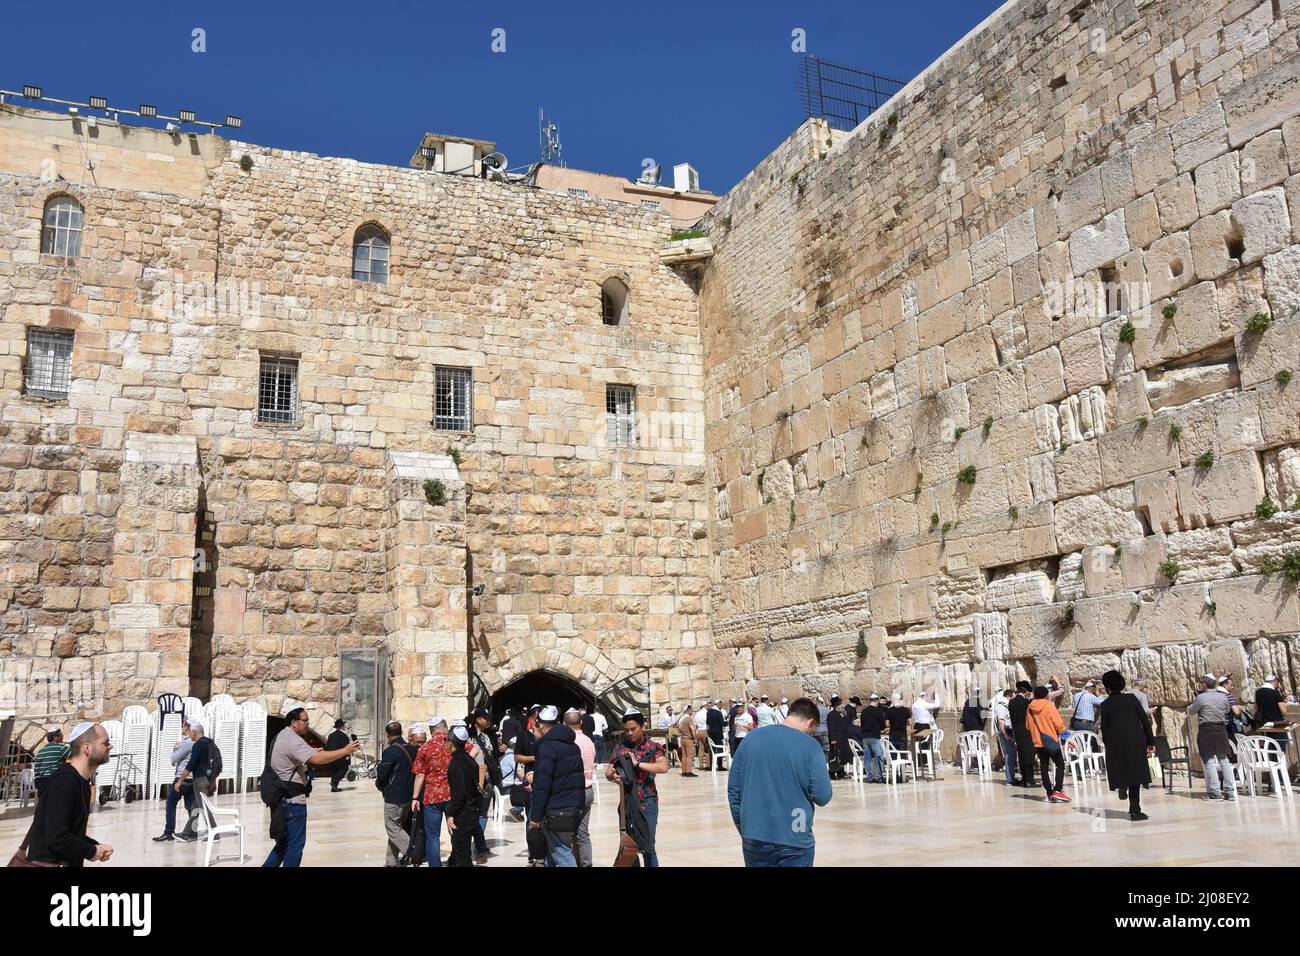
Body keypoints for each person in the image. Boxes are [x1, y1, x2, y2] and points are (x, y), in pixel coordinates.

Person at [727, 697, 833, 867]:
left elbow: (734, 790)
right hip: (794, 835)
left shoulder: (750, 739)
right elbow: (823, 796)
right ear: (810, 723)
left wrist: (746, 827)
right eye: (812, 730)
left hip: (755, 835)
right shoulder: (810, 746)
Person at [263, 707, 359, 867]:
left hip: (283, 799)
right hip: (292, 801)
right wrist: (345, 750)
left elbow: (299, 757)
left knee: (285, 843)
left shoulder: (283, 735)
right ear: (294, 723)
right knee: (295, 845)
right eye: (305, 721)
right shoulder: (292, 739)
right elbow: (316, 759)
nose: (308, 724)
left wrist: (310, 752)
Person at [21, 722, 113, 867]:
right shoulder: (64, 783)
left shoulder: (81, 781)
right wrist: (91, 851)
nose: (110, 746)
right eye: (105, 743)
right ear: (87, 748)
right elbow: (56, 837)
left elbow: (72, 832)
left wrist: (96, 847)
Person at [605, 708, 668, 866]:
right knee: (630, 846)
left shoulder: (652, 747)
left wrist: (638, 764)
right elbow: (608, 771)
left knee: (648, 846)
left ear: (643, 726)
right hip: (627, 803)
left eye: (634, 729)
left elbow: (663, 767)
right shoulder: (621, 747)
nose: (630, 733)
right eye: (627, 730)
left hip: (647, 801)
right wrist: (613, 776)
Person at [529, 705, 585, 867]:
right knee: (552, 854)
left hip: (557, 808)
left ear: (541, 724)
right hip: (572, 805)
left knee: (561, 852)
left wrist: (535, 816)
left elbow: (543, 784)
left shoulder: (547, 747)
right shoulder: (571, 745)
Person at [1097, 671, 1154, 820]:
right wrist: (1150, 741)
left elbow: (1104, 728)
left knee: (1122, 769)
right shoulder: (1131, 699)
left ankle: (1122, 786)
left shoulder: (1105, 705)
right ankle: (1135, 810)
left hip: (1116, 742)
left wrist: (1108, 744)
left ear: (1107, 687)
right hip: (1135, 740)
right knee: (1135, 774)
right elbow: (1144, 720)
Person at [410, 718, 454, 866]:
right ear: (444, 728)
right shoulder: (453, 744)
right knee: (455, 829)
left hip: (431, 797)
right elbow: (474, 751)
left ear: (432, 731)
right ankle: (456, 859)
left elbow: (420, 775)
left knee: (433, 836)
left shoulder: (425, 748)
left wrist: (415, 798)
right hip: (452, 795)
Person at [1188, 675, 1236, 801]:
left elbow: (1192, 711)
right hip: (1221, 730)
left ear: (1204, 684)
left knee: (1209, 761)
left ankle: (1215, 793)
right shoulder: (1223, 696)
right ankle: (1230, 792)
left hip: (1207, 731)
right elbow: (1226, 710)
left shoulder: (1201, 697)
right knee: (1224, 760)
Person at [376, 721, 417, 867]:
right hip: (408, 796)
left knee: (392, 828)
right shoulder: (412, 749)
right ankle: (391, 862)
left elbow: (382, 775)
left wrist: (380, 786)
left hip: (394, 797)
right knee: (396, 828)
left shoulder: (390, 751)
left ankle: (413, 851)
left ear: (387, 735)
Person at [1025, 686, 1070, 804]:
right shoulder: (1049, 705)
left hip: (1038, 742)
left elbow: (1028, 726)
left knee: (1044, 767)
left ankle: (1049, 793)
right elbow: (1058, 724)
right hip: (1050, 740)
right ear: (1046, 695)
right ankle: (1058, 790)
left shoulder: (1029, 708)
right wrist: (1063, 731)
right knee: (1060, 764)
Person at [445, 725, 481, 867]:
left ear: (450, 743)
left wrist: (451, 814)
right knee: (458, 854)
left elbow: (459, 793)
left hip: (462, 815)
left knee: (463, 858)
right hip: (471, 811)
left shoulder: (455, 763)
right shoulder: (470, 760)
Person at [564, 708, 596, 866]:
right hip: (588, 790)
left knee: (567, 833)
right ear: (581, 722)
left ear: (564, 724)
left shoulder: (568, 743)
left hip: (572, 792)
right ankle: (586, 863)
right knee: (583, 834)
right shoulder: (589, 741)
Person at [153, 718, 193, 842]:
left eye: (182, 726)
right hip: (192, 778)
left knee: (171, 803)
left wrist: (175, 749)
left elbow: (173, 759)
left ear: (187, 727)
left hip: (182, 777)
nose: (181, 728)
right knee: (190, 806)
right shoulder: (195, 742)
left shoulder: (187, 742)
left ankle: (169, 832)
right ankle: (192, 831)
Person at [174, 720, 214, 842]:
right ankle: (187, 833)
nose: (189, 735)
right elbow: (215, 763)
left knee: (203, 808)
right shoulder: (210, 743)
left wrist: (180, 781)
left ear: (195, 732)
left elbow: (191, 765)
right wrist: (213, 780)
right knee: (196, 807)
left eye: (191, 732)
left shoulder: (198, 745)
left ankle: (214, 832)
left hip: (200, 780)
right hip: (208, 779)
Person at [1254, 674, 1291, 765]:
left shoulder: (1258, 692)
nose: (1277, 684)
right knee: (1280, 750)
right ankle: (1280, 774)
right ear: (1274, 681)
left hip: (1265, 725)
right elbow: (1284, 711)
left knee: (1270, 750)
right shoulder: (1275, 693)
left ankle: (1272, 775)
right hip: (1277, 725)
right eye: (1277, 682)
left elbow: (1257, 708)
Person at [1009, 681, 1036, 788]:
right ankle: (1030, 781)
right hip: (1026, 731)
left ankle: (1024, 780)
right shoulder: (1026, 702)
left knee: (1021, 755)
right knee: (1029, 755)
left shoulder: (1011, 702)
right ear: (1025, 692)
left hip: (1017, 731)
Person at [858, 693, 887, 783]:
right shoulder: (879, 712)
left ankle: (869, 777)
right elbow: (883, 726)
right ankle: (879, 776)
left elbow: (862, 724)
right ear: (877, 701)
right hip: (874, 737)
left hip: (865, 738)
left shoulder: (864, 711)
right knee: (879, 757)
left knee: (867, 758)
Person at [32, 728, 70, 793]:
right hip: (55, 782)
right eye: (61, 735)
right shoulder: (61, 748)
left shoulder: (40, 751)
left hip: (41, 783)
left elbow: (36, 770)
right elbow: (76, 755)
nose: (63, 736)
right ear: (55, 737)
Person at [993, 690, 1018, 785]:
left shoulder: (1004, 704)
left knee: (1012, 755)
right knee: (1009, 755)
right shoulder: (1001, 705)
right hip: (1006, 732)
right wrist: (1007, 736)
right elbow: (1001, 722)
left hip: (1008, 732)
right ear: (1009, 696)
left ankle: (1012, 778)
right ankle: (1010, 780)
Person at [826, 696, 852, 775]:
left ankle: (841, 771)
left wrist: (845, 715)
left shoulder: (841, 714)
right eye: (840, 704)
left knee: (842, 756)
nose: (842, 706)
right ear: (837, 706)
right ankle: (833, 772)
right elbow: (831, 728)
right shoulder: (832, 715)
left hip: (843, 738)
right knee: (835, 756)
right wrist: (833, 739)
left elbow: (845, 724)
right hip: (837, 738)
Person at [324, 719, 351, 792]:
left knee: (334, 771)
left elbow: (327, 746)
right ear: (342, 726)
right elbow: (346, 747)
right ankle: (334, 782)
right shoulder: (343, 736)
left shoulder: (331, 735)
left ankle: (334, 787)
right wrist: (347, 756)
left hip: (331, 757)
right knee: (344, 769)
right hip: (340, 757)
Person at [677, 705, 698, 777]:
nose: (692, 711)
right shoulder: (689, 718)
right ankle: (688, 772)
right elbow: (692, 729)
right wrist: (695, 738)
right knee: (689, 756)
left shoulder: (681, 719)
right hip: (688, 739)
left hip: (682, 739)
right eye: (692, 710)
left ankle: (684, 771)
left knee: (684, 756)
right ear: (688, 710)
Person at [706, 699, 725, 764]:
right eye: (721, 705)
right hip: (718, 733)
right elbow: (722, 723)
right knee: (720, 748)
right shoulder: (718, 712)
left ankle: (712, 764)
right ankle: (720, 765)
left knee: (712, 749)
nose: (721, 706)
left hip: (711, 732)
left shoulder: (708, 712)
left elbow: (707, 722)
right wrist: (727, 722)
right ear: (718, 704)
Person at [694, 702, 711, 771]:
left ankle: (700, 765)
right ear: (705, 705)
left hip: (699, 731)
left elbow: (695, 723)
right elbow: (708, 722)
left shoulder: (697, 713)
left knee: (701, 749)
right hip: (705, 730)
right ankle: (708, 765)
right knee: (707, 749)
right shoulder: (706, 713)